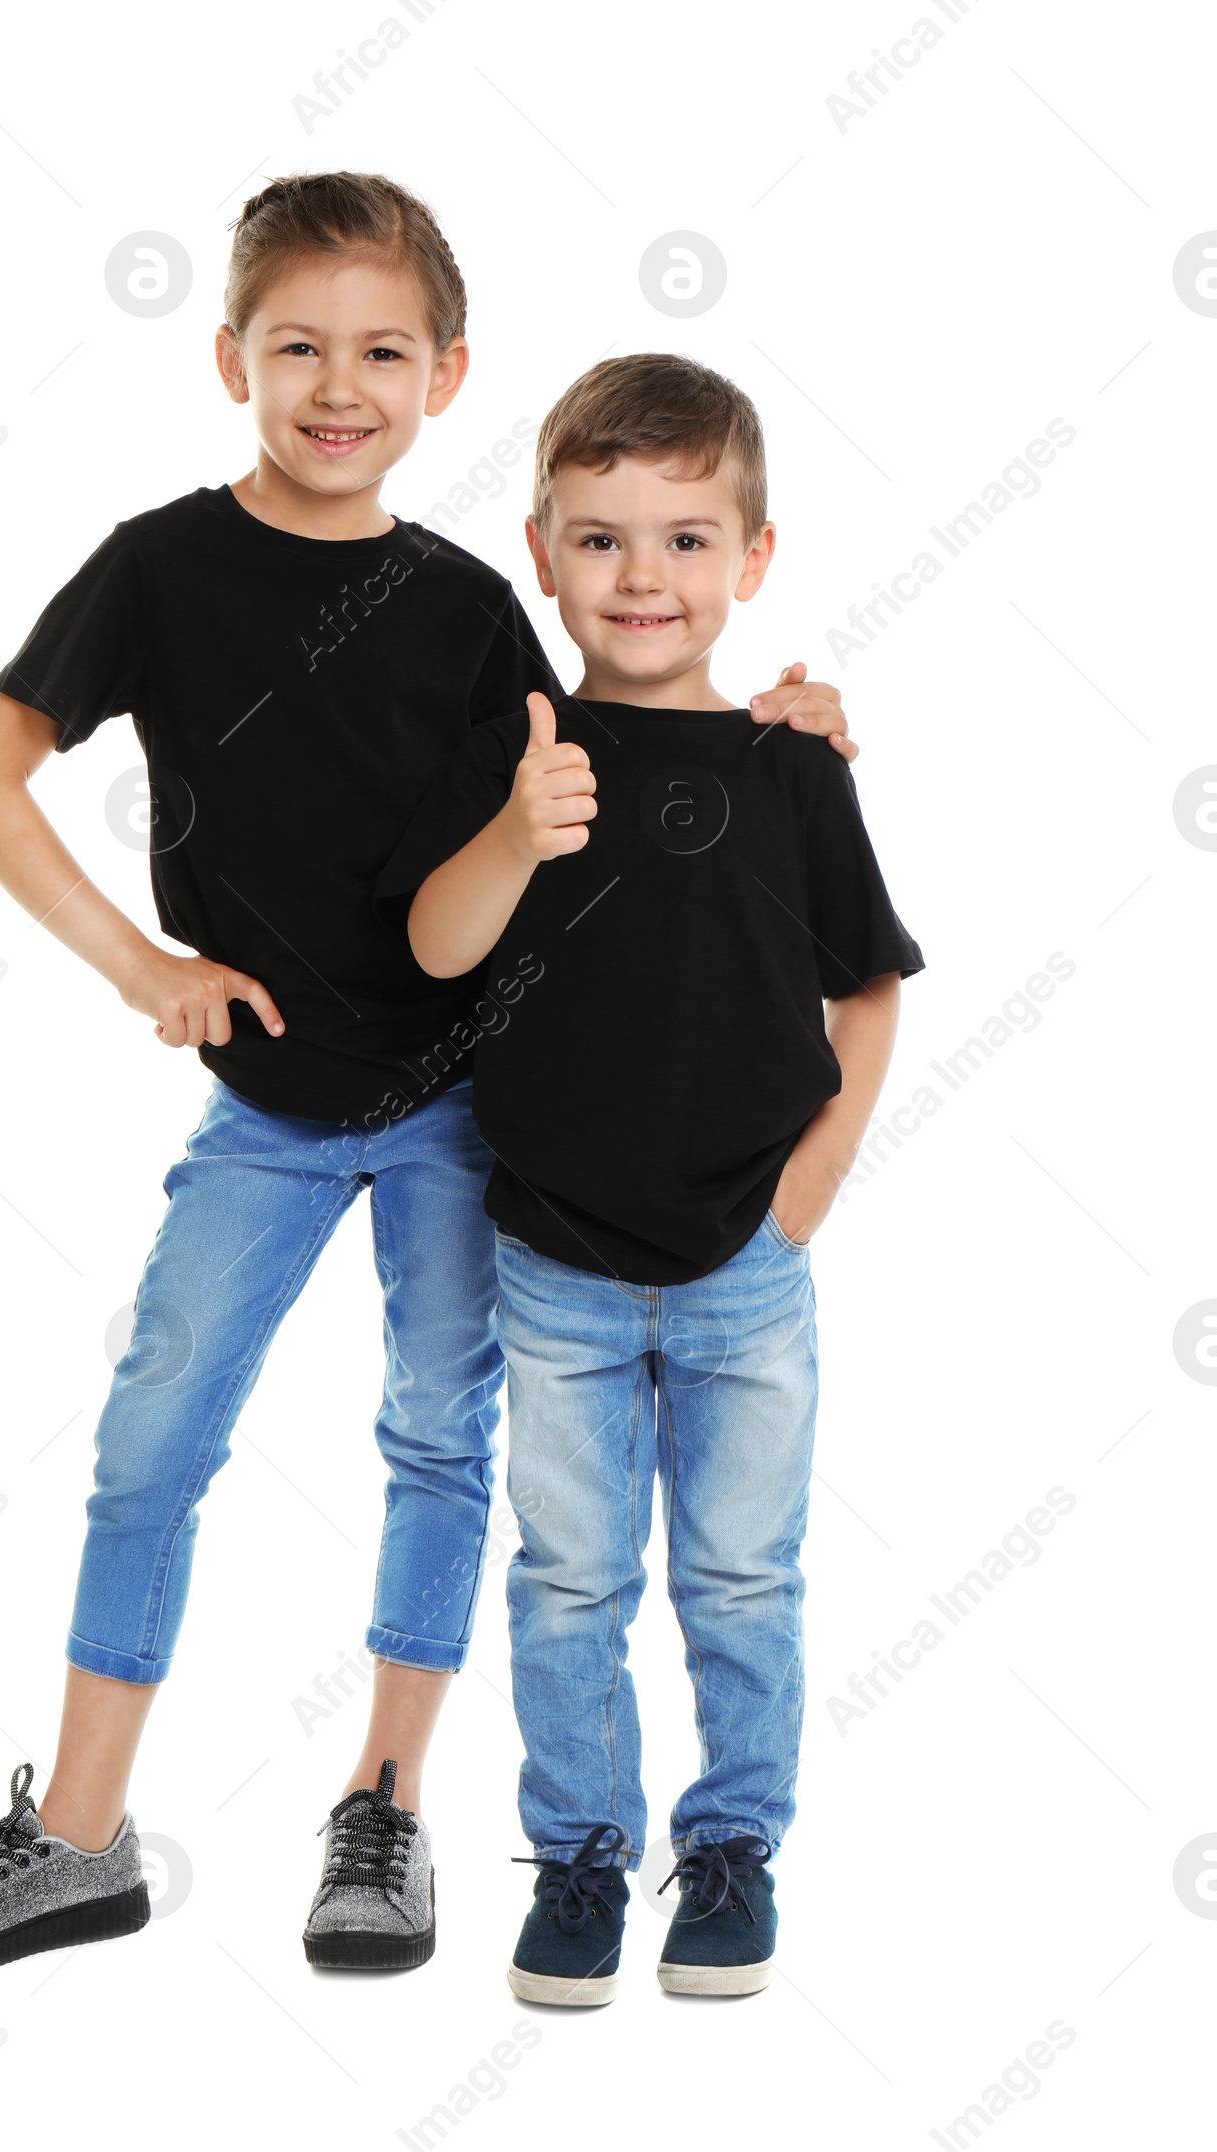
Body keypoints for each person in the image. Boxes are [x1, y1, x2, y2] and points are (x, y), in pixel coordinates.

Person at [0, 181, 859, 1980]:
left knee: (440, 1443)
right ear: (229, 357)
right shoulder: (157, 566)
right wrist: (142, 967)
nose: (339, 384)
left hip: (474, 1110)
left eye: (383, 350)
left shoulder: (478, 601)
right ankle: (81, 1835)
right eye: (298, 346)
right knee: (157, 1429)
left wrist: (786, 734)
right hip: (268, 1104)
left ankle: (383, 1813)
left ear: (444, 375)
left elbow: (626, 724)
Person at [381, 351, 922, 2002]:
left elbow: (871, 982)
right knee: (569, 1576)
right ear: (542, 550)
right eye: (603, 539)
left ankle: (734, 1845)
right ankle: (583, 1856)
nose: (644, 577)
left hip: (750, 1259)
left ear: (752, 559)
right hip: (554, 1261)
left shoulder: (787, 765)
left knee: (744, 1571)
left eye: (687, 540)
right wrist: (511, 831)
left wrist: (814, 1180)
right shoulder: (516, 755)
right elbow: (434, 949)